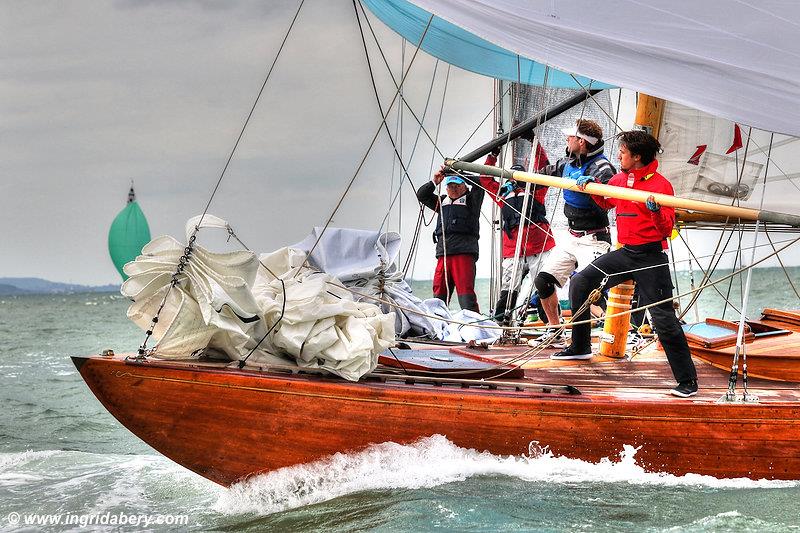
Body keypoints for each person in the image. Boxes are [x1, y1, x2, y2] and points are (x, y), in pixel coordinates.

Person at [551, 130, 698, 398]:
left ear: (637, 156)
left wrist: (654, 212)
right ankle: (581, 346)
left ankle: (687, 382)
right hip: (626, 253)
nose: (618, 155)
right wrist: (592, 188)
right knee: (581, 282)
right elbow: (606, 201)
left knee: (663, 318)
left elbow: (666, 229)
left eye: (622, 152)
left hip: (651, 257)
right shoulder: (619, 179)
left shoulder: (661, 186)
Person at [532, 119, 617, 343]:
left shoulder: (602, 167)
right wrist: (517, 179)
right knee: (543, 281)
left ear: (581, 142)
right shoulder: (566, 162)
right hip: (571, 238)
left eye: (570, 137)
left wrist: (597, 184)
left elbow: (613, 194)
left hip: (595, 239)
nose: (566, 140)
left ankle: (615, 333)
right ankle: (555, 330)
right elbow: (541, 176)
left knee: (592, 290)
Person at [480, 153, 556, 324]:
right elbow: (485, 178)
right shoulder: (502, 195)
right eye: (511, 178)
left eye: (517, 178)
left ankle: (551, 322)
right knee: (509, 286)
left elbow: (546, 169)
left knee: (544, 283)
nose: (514, 183)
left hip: (538, 246)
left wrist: (535, 146)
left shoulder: (536, 191)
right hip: (513, 248)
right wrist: (492, 155)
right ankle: (502, 321)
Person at [416, 165, 485, 312]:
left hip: (464, 253)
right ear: (445, 188)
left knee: (466, 297)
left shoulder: (472, 200)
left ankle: (475, 328)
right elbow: (421, 195)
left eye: (456, 185)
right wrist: (435, 181)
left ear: (464, 187)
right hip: (444, 254)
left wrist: (461, 173)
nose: (452, 188)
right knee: (438, 297)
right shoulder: (441, 202)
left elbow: (480, 183)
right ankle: (438, 327)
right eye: (449, 185)